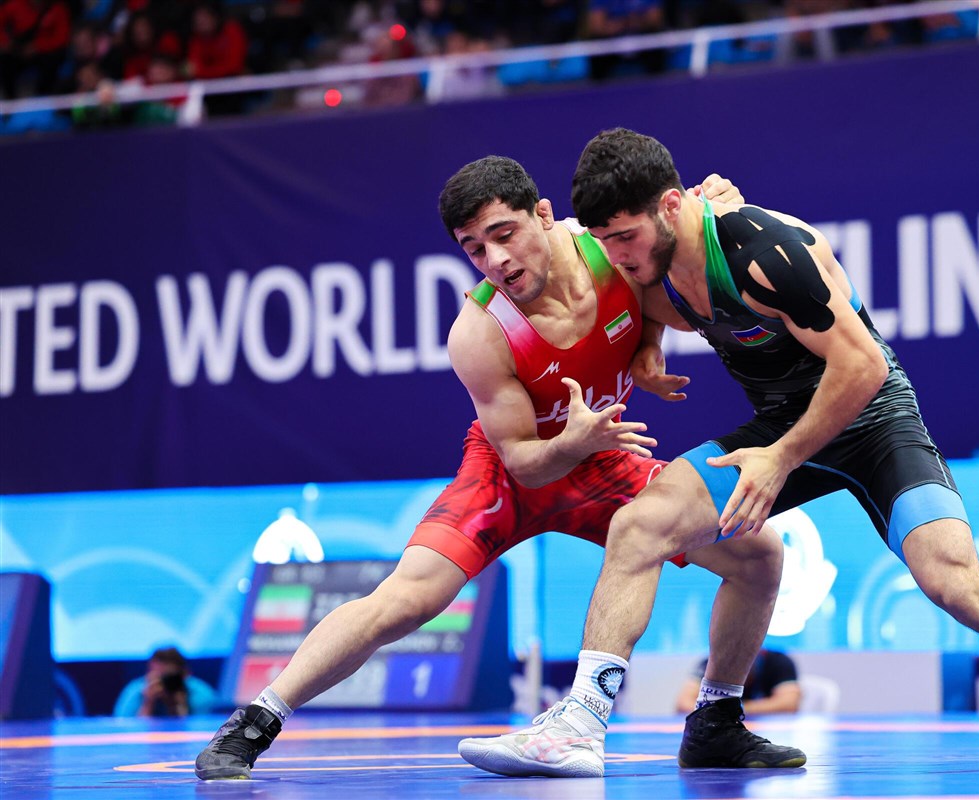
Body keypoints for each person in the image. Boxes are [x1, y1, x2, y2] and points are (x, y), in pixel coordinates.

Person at [459, 128, 979, 774]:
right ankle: (613, 723)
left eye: (626, 239)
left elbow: (862, 367)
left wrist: (780, 458)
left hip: (872, 419)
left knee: (954, 580)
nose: (617, 259)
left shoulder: (765, 249)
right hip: (782, 422)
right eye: (606, 242)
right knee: (639, 524)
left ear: (671, 206)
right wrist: (647, 347)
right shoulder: (650, 258)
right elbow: (639, 302)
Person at [195, 157, 803, 780]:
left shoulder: (609, 248)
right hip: (511, 472)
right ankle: (253, 723)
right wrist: (574, 440)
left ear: (544, 215)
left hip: (598, 456)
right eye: (474, 249)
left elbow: (669, 280)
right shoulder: (479, 333)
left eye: (504, 234)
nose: (495, 260)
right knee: (407, 598)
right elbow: (525, 463)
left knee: (759, 554)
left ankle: (716, 722)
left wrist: (713, 221)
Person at [675, 649, 800, 715]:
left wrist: (727, 712)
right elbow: (683, 704)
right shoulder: (709, 663)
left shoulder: (778, 661)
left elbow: (789, 704)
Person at [113, 646, 217, 718]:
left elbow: (203, 732)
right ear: (149, 673)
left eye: (171, 678)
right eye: (161, 677)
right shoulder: (135, 692)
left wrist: (179, 703)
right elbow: (126, 730)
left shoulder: (202, 694)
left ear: (185, 674)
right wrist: (148, 702)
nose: (166, 683)